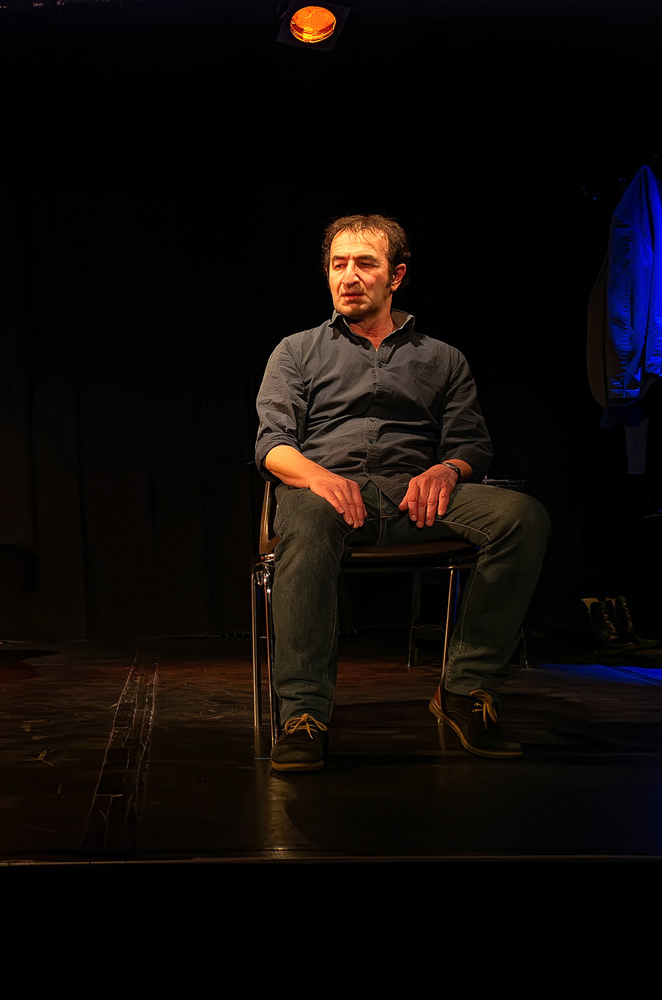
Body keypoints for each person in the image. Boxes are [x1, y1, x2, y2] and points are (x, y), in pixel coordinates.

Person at [254, 214, 549, 772]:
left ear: (396, 276)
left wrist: (449, 470)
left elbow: (471, 443)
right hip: (327, 497)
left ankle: (464, 689)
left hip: (416, 500)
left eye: (365, 263)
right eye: (338, 264)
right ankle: (303, 714)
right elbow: (273, 445)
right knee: (306, 518)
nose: (348, 276)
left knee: (522, 517)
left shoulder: (443, 358)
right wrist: (318, 477)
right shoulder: (296, 351)